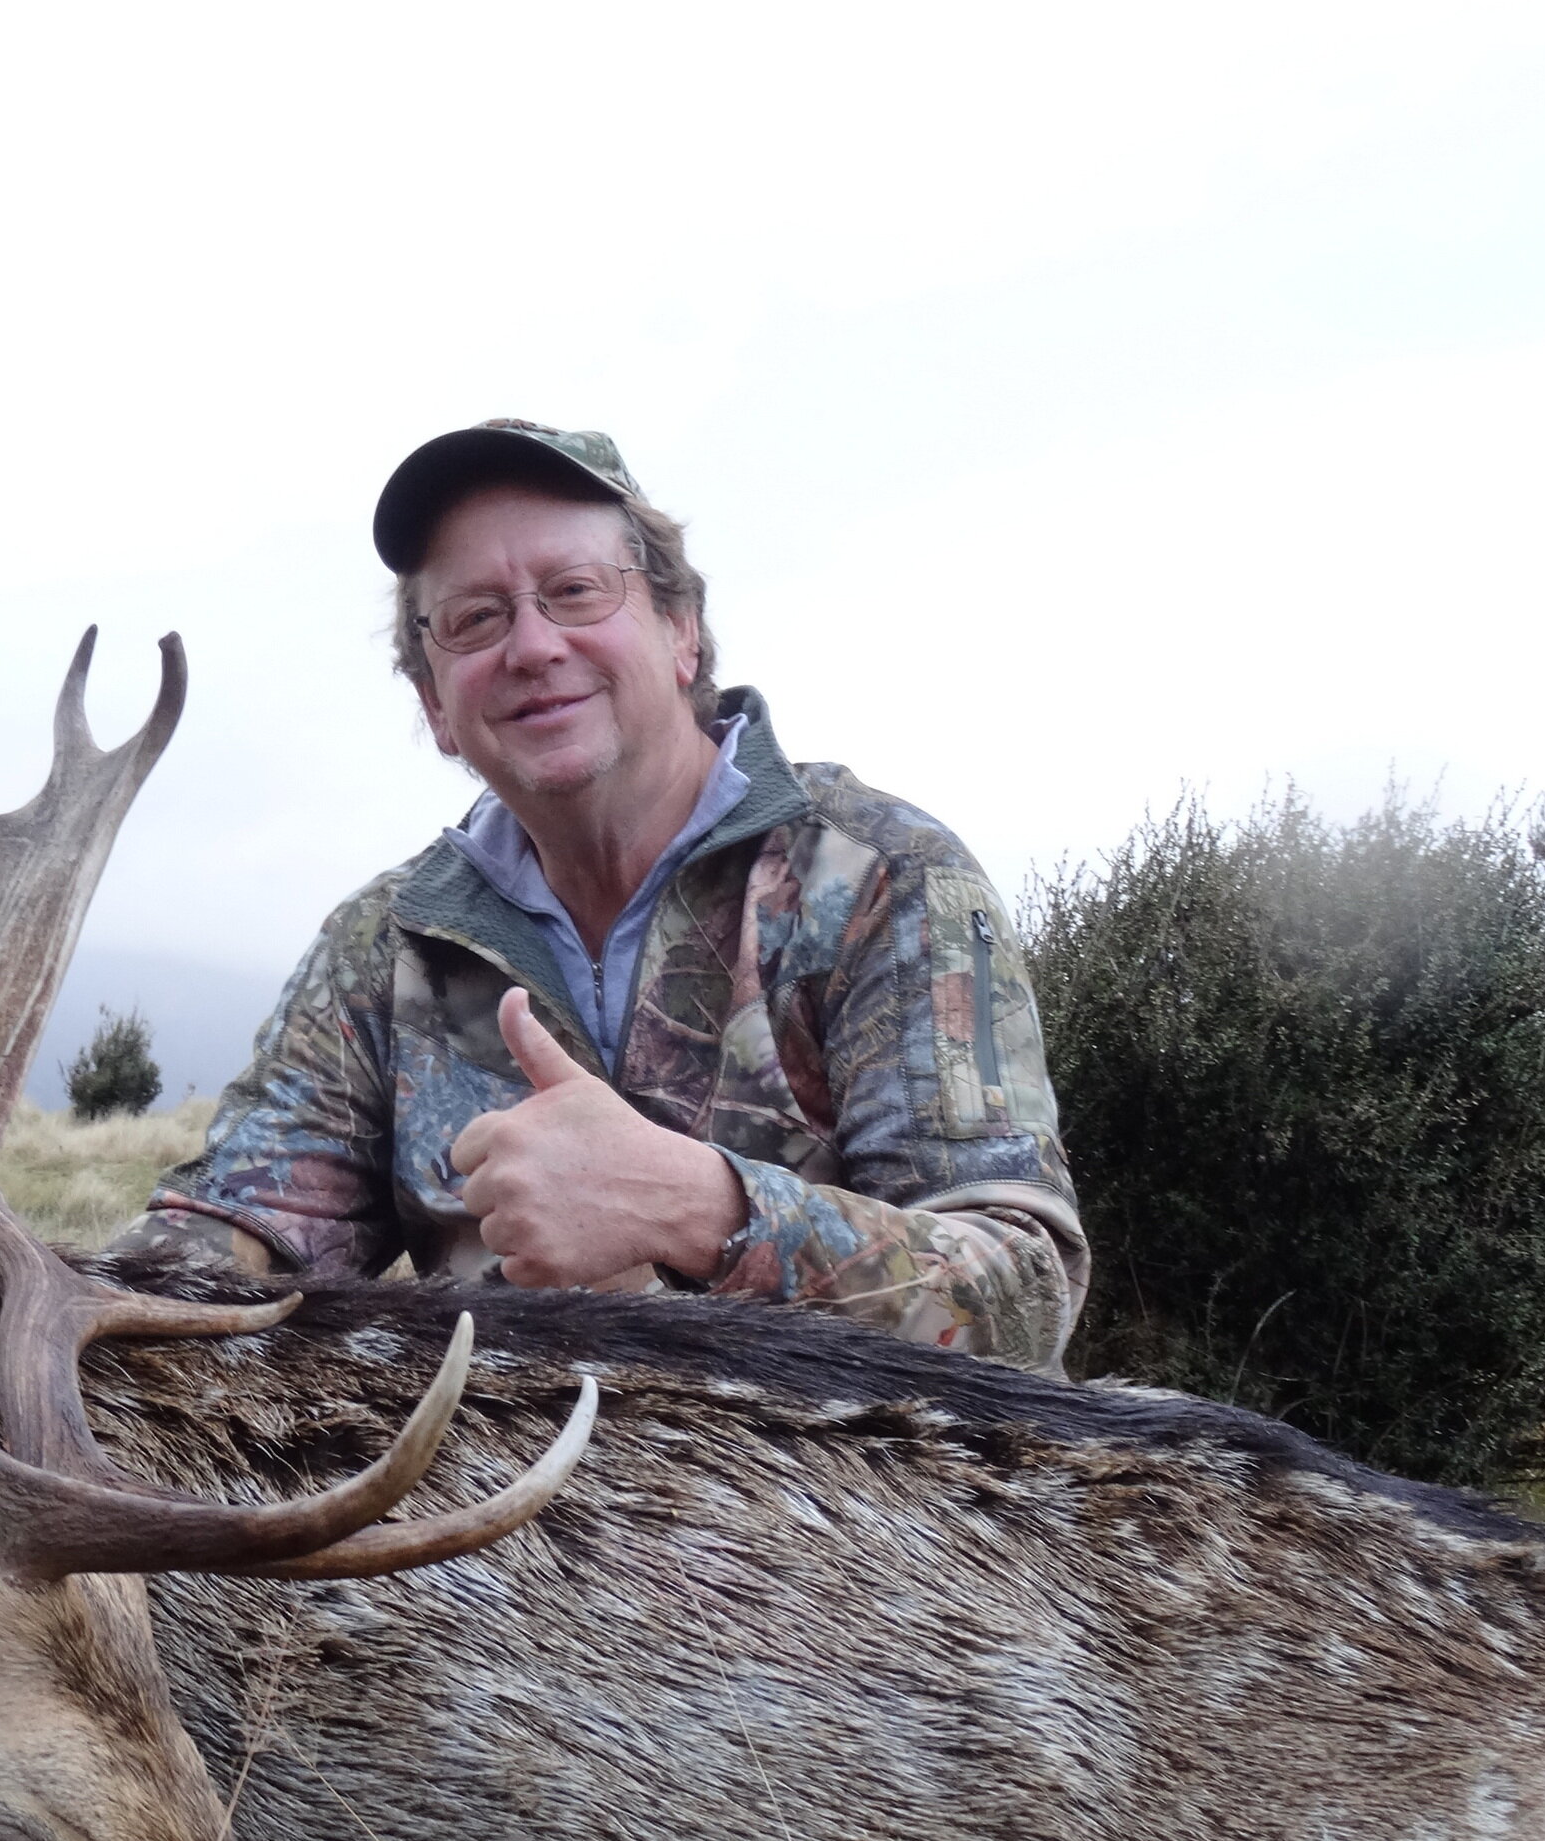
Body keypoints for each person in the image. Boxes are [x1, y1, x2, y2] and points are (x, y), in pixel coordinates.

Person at [115, 419, 1087, 1369]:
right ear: (434, 705)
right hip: (489, 1522)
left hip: (833, 1524)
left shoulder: (884, 879)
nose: (533, 647)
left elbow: (1020, 1300)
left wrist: (704, 1208)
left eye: (575, 593)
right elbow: (234, 1240)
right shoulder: (384, 950)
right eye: (476, 619)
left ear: (682, 634)